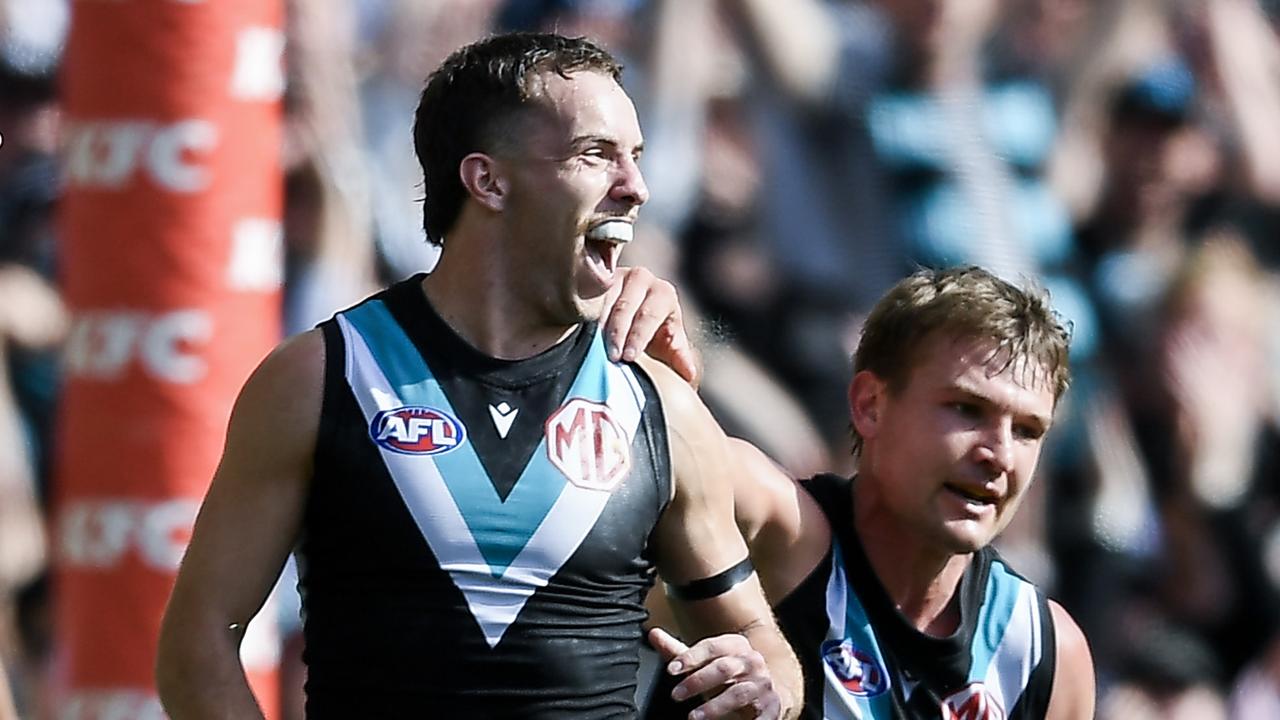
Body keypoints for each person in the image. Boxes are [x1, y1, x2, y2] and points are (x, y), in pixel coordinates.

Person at [156, 32, 801, 719]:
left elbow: (765, 647)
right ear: (487, 180)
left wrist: (768, 689)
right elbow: (199, 641)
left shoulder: (659, 406)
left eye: (636, 157)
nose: (636, 187)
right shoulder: (320, 378)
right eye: (596, 155)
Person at [665, 266, 1095, 719]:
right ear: (870, 405)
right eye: (967, 409)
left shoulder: (1040, 653)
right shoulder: (780, 530)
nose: (1000, 455)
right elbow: (669, 445)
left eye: (1027, 431)